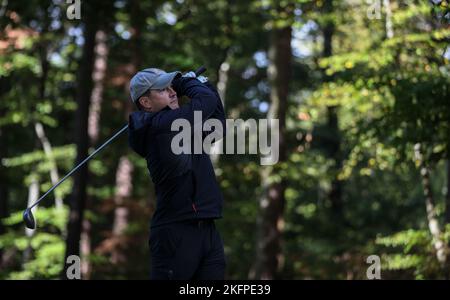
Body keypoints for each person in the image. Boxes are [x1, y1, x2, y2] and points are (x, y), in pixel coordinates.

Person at [127, 68, 227, 280]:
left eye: (172, 87)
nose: (173, 92)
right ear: (146, 103)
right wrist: (183, 82)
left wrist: (204, 83)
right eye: (163, 89)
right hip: (175, 232)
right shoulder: (160, 127)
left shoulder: (179, 127)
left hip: (206, 228)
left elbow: (217, 126)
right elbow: (205, 103)